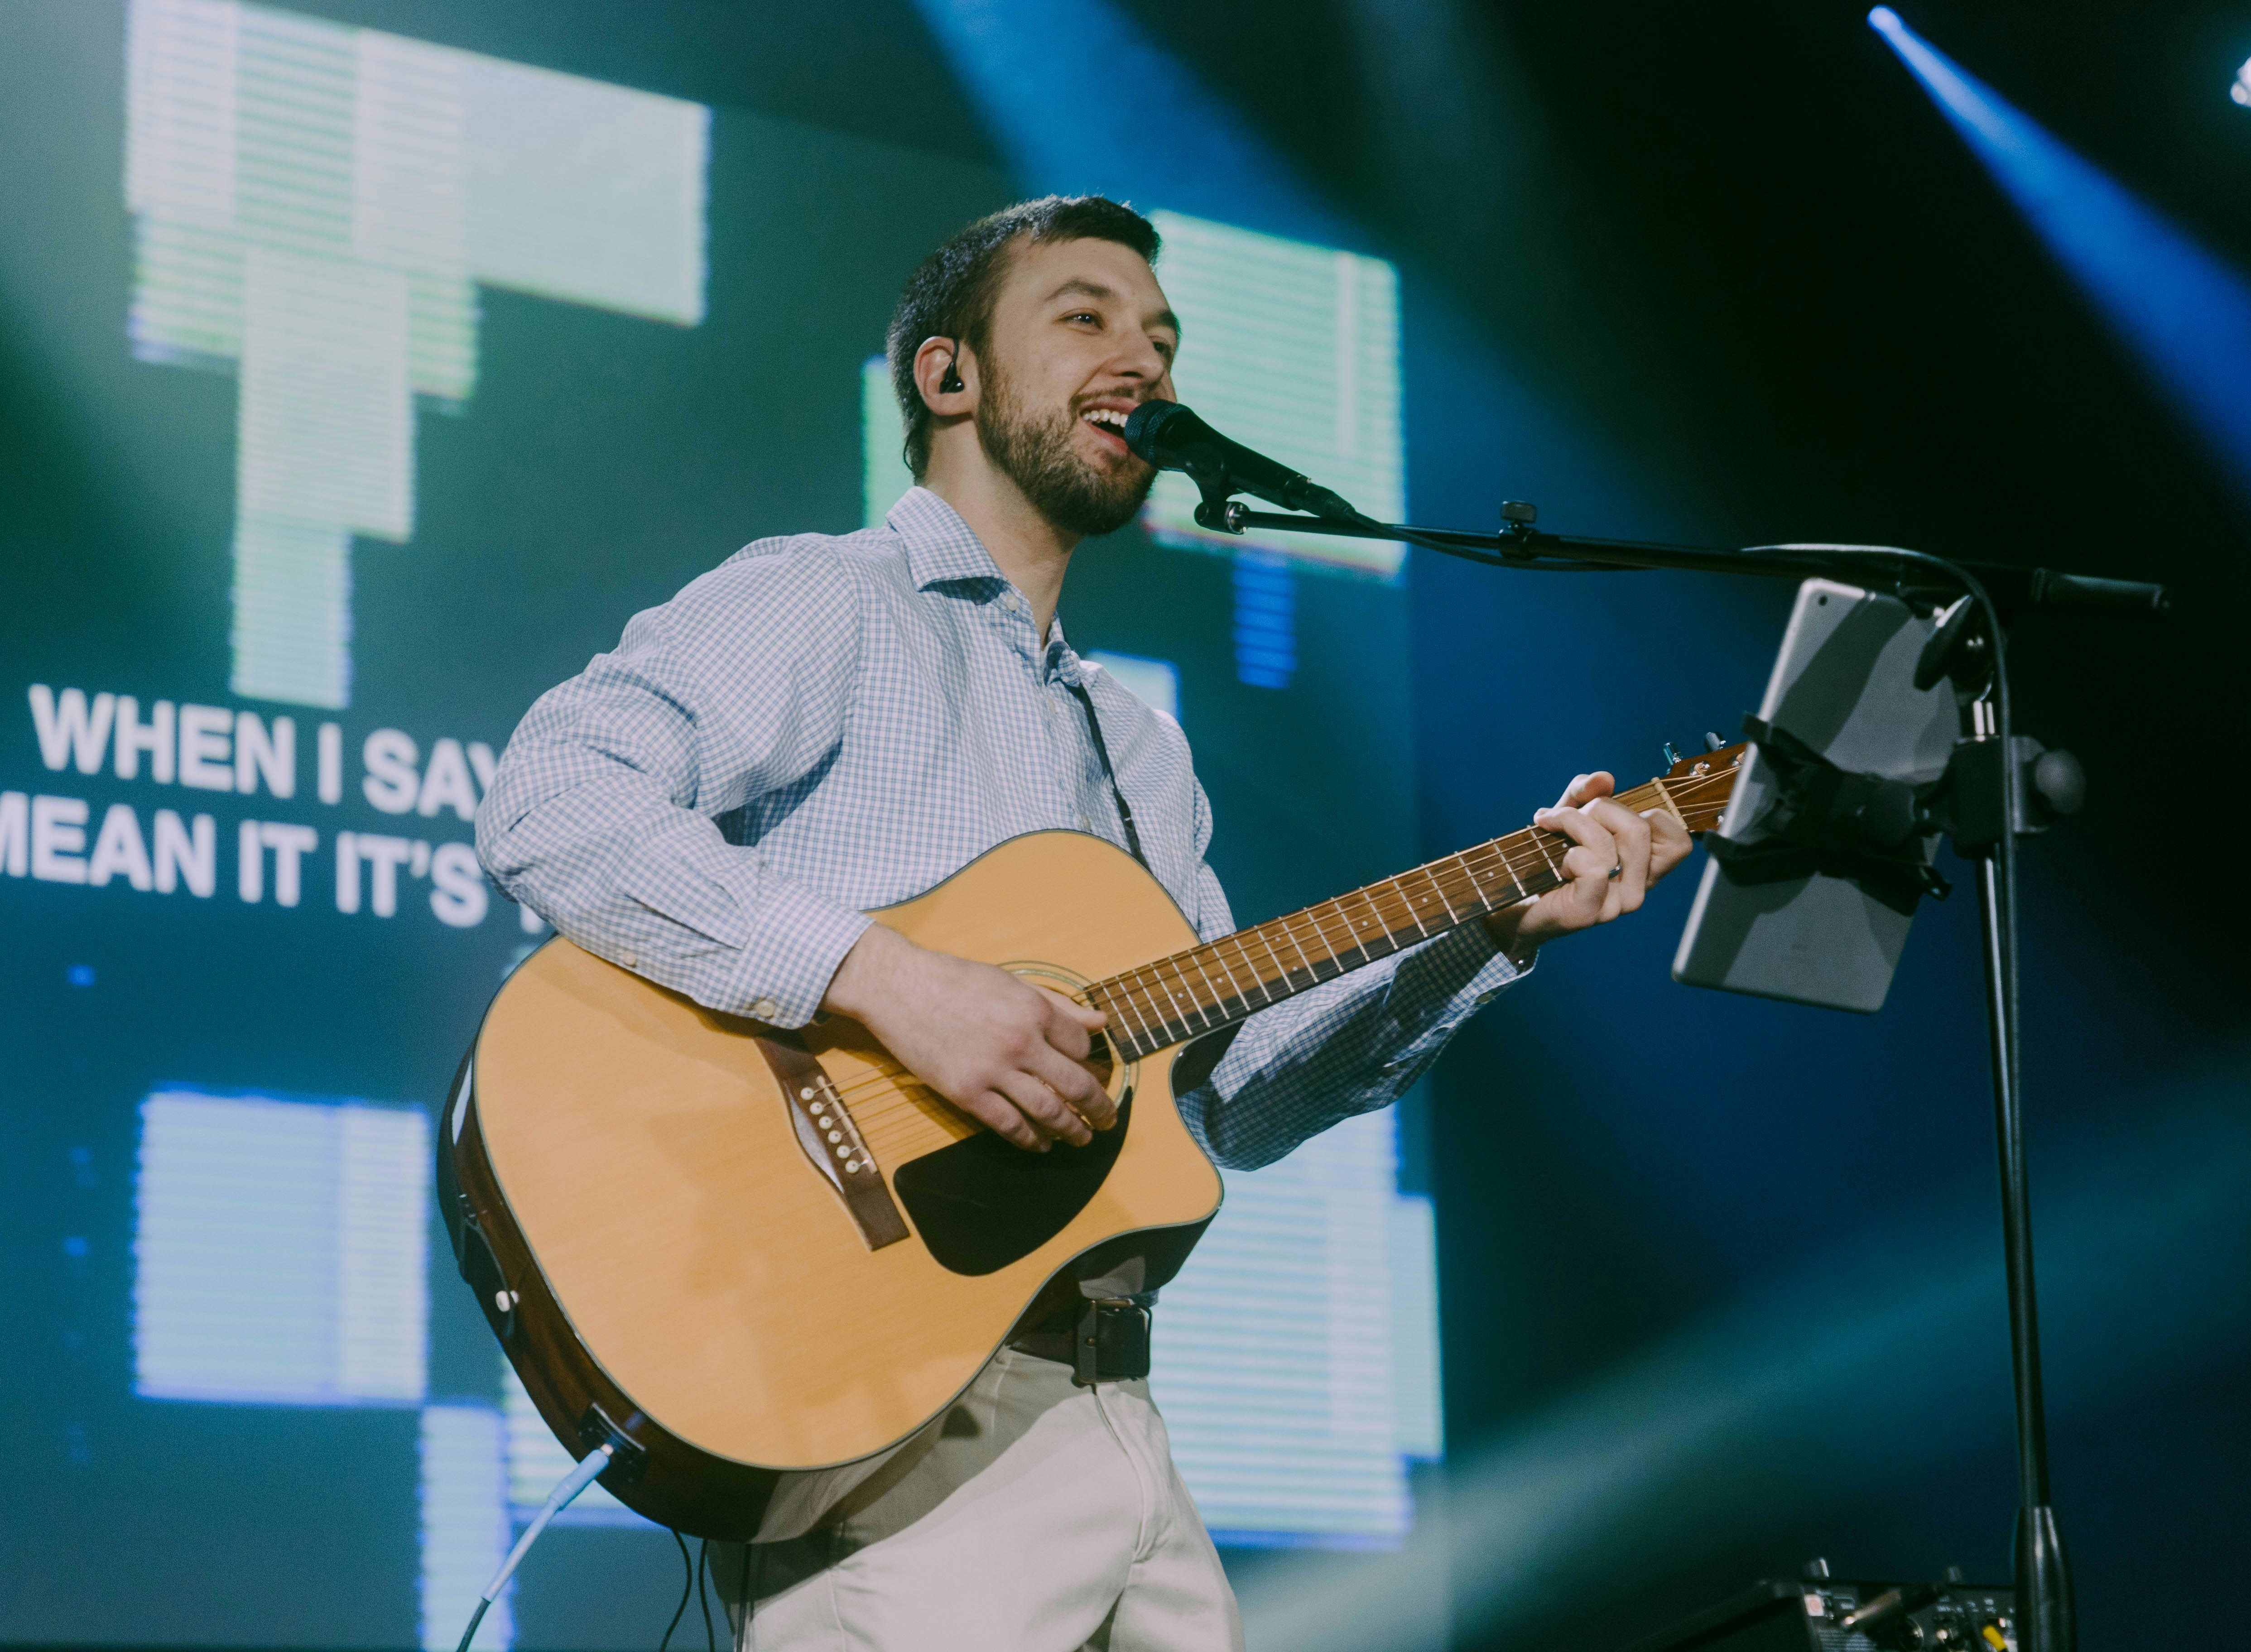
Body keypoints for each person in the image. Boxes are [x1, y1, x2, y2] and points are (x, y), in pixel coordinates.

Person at [474, 194, 1692, 1651]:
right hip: (893, 1431)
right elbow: (550, 793)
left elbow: (1229, 1099)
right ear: (948, 377)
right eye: (1087, 317)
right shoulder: (826, 600)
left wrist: (1499, 928)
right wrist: (890, 982)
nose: (1146, 360)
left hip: (1120, 1409)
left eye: (1164, 338)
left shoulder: (1141, 748)